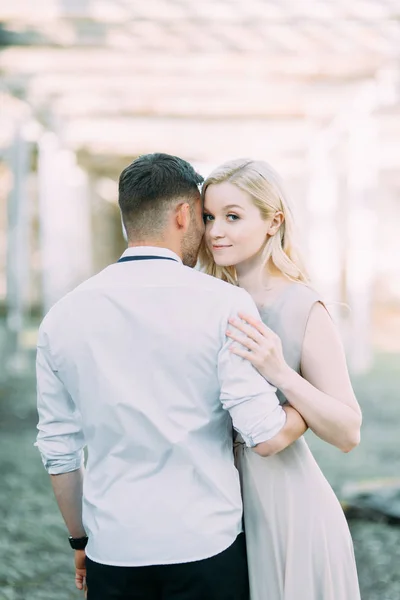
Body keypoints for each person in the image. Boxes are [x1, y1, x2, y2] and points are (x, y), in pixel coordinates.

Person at [35, 153, 308, 600]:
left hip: (114, 548)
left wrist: (80, 542)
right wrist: (305, 405)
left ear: (127, 219)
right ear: (184, 215)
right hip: (206, 544)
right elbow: (264, 433)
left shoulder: (61, 317)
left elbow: (59, 451)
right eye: (203, 216)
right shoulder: (225, 304)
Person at [199, 158, 362, 600]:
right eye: (209, 217)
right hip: (208, 512)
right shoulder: (203, 298)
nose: (215, 231)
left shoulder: (303, 306)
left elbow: (348, 431)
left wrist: (279, 372)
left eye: (232, 216)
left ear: (274, 221)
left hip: (287, 508)